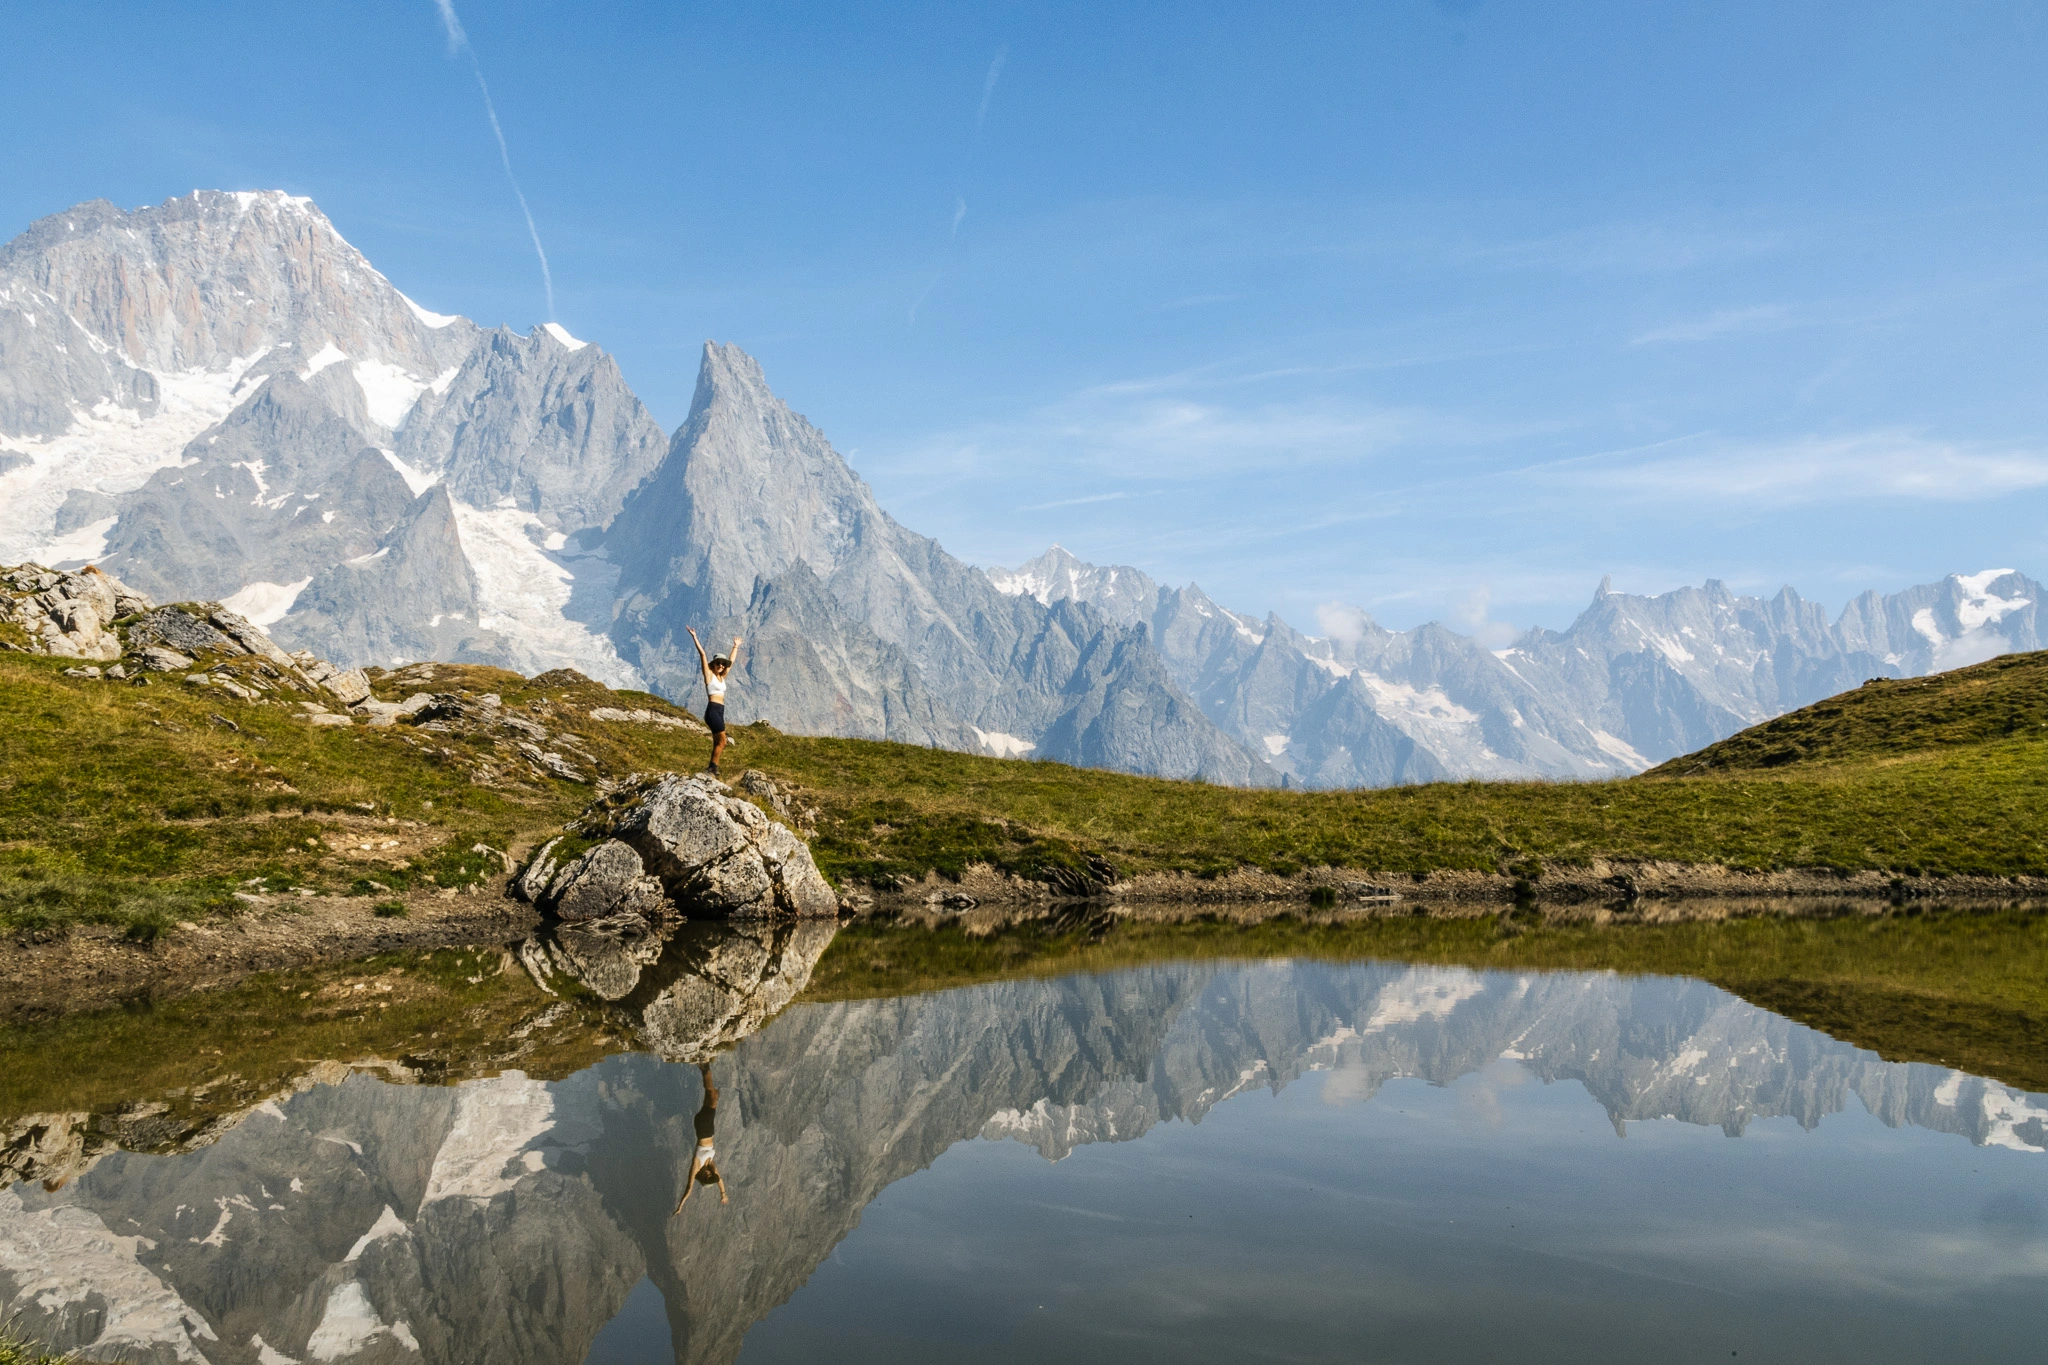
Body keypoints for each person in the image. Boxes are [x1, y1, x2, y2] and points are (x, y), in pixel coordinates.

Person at [687, 627, 742, 775]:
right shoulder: (709, 675)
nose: (721, 666)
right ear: (714, 664)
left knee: (719, 742)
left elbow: (732, 661)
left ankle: (713, 767)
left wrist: (735, 646)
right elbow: (703, 654)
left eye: (722, 664)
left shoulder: (721, 677)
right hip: (712, 710)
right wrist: (695, 637)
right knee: (723, 741)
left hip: (720, 710)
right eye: (718, 663)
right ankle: (712, 767)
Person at [674, 1062, 728, 1210]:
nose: (711, 1173)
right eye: (712, 1175)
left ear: (703, 1176)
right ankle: (704, 1068)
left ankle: (705, 1067)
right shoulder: (709, 1163)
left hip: (704, 1128)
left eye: (709, 1176)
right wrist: (723, 1194)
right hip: (707, 1127)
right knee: (712, 1094)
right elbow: (720, 1179)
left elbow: (689, 1186)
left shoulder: (697, 1165)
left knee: (712, 1094)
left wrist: (681, 1205)